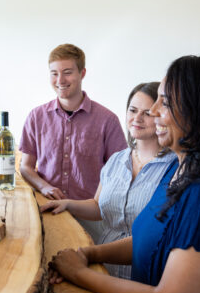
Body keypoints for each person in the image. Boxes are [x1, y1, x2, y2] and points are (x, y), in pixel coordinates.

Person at [49, 55, 200, 293]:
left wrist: (79, 273)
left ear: (197, 109)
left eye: (165, 102)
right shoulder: (179, 167)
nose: (153, 113)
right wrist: (90, 254)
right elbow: (149, 239)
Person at [40, 82, 176, 279]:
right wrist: (68, 204)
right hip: (103, 261)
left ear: (162, 117)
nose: (137, 118)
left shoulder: (174, 168)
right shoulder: (117, 160)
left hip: (145, 268)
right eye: (133, 110)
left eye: (147, 113)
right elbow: (98, 206)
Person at [19, 43, 127, 202]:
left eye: (67, 73)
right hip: (47, 205)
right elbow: (26, 167)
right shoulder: (36, 117)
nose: (60, 80)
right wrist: (44, 187)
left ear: (82, 73)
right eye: (54, 73)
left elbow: (119, 172)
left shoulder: (108, 120)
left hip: (90, 213)